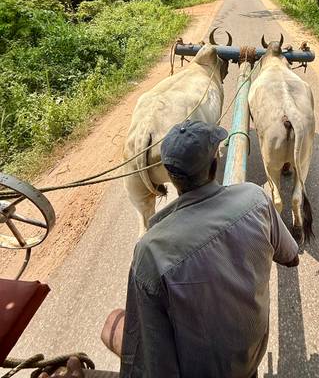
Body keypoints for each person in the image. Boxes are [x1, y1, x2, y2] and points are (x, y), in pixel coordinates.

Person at [40, 120, 299, 378]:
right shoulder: (256, 197)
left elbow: (148, 351)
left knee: (112, 323)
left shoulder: (150, 250)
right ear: (214, 164)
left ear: (171, 177)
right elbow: (290, 257)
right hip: (251, 354)